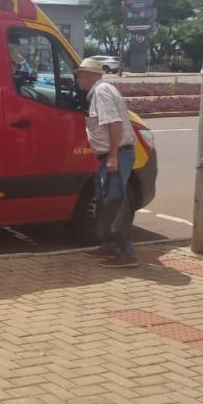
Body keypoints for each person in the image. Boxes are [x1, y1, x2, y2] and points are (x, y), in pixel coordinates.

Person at [74, 57, 138, 268]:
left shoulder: (101, 92)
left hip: (117, 154)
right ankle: (109, 246)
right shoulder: (100, 91)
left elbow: (115, 124)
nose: (77, 79)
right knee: (105, 201)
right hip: (111, 155)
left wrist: (112, 156)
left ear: (90, 75)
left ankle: (127, 254)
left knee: (115, 204)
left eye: (80, 75)